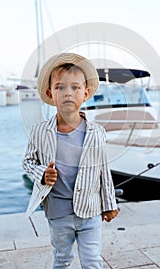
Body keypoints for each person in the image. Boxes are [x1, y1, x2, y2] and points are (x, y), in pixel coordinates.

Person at [23, 52, 119, 268]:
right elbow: (27, 162)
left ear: (85, 94)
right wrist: (42, 174)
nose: (68, 93)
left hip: (90, 210)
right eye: (60, 87)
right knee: (62, 258)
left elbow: (103, 171)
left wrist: (109, 203)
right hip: (58, 212)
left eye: (75, 87)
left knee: (92, 260)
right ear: (51, 93)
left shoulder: (96, 132)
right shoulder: (39, 131)